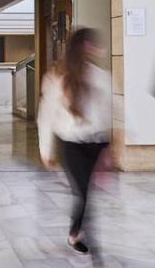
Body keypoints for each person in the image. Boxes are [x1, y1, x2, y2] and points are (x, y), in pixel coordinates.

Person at [37, 28, 111, 256]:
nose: (96, 49)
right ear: (80, 47)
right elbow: (47, 116)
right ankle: (78, 234)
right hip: (72, 144)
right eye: (91, 44)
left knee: (87, 192)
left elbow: (111, 108)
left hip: (97, 143)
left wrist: (116, 141)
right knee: (82, 191)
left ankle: (76, 231)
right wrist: (45, 149)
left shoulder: (100, 76)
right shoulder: (57, 78)